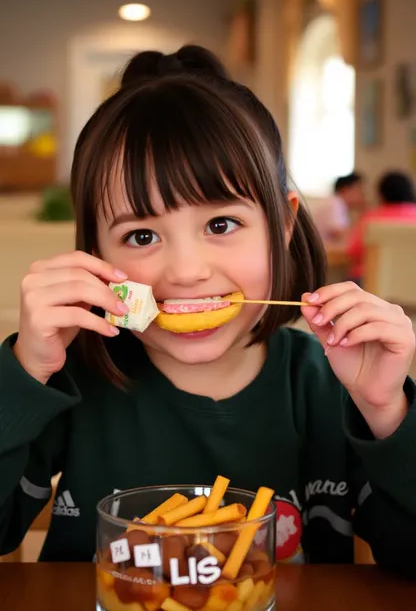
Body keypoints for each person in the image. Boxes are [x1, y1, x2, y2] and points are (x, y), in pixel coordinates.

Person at [0, 45, 415, 574]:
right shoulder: (71, 378)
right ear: (95, 255)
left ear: (284, 227)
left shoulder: (334, 386)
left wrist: (387, 412)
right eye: (141, 234)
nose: (186, 270)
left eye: (220, 225)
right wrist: (23, 374)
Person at [348, 171, 416, 282]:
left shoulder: (371, 217)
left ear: (381, 193)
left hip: (369, 282)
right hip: (411, 283)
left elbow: (353, 251)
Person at [313, 172, 365, 245]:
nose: (362, 194)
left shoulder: (337, 203)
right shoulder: (335, 203)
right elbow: (340, 234)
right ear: (345, 189)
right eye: (358, 189)